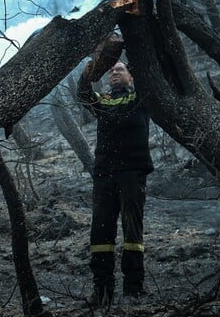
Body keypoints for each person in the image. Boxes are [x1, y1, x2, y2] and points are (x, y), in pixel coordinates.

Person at [77, 59, 153, 308]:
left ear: (131, 76)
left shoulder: (140, 96)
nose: (114, 73)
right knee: (100, 232)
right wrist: (90, 70)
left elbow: (147, 71)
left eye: (120, 69)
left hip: (132, 172)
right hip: (104, 175)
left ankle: (133, 289)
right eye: (111, 71)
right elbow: (82, 93)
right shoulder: (104, 101)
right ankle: (102, 290)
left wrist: (127, 47)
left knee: (132, 231)